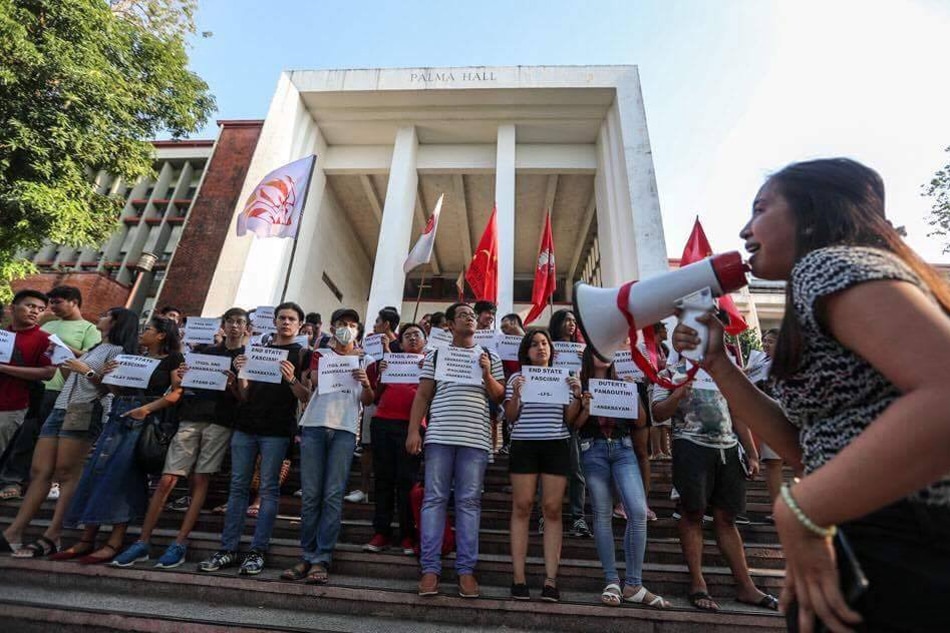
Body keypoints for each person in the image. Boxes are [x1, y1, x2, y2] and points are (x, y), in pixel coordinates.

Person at [673, 158, 950, 632]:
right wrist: (718, 364)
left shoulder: (826, 264)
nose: (744, 230)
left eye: (760, 209)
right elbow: (809, 446)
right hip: (877, 529)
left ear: (815, 216)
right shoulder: (826, 283)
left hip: (903, 534)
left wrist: (802, 509)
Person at [111, 308, 248, 568]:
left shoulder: (247, 357)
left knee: (199, 478)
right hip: (191, 417)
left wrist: (233, 384)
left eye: (239, 322)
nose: (234, 326)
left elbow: (244, 400)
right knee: (166, 480)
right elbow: (185, 388)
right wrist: (185, 375)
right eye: (229, 321)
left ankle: (180, 542)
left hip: (221, 422)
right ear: (223, 325)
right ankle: (142, 542)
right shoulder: (205, 353)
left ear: (247, 329)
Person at [1, 308, 138, 557]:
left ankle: (53, 534)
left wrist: (84, 369)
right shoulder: (96, 347)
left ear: (116, 322)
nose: (101, 317)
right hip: (61, 406)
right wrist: (63, 362)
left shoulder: (119, 352)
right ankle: (14, 531)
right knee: (40, 470)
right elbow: (72, 377)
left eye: (106, 315)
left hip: (85, 410)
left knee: (66, 472)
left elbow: (110, 388)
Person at [651, 351, 773, 612]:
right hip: (690, 447)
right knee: (691, 513)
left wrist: (751, 453)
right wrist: (677, 394)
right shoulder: (668, 374)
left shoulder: (722, 372)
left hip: (728, 449)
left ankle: (746, 586)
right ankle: (697, 583)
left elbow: (737, 411)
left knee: (727, 518)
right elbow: (658, 413)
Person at [55, 316, 184, 564]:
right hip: (119, 413)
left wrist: (146, 409)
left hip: (145, 418)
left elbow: (177, 392)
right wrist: (111, 378)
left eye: (148, 329)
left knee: (124, 475)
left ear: (161, 335)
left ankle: (115, 540)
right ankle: (86, 538)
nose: (141, 333)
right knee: (97, 471)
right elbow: (117, 390)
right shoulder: (132, 357)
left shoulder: (173, 359)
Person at [198, 302, 306, 576]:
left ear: (300, 325)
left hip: (278, 430)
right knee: (237, 487)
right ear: (275, 321)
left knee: (268, 490)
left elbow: (306, 396)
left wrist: (292, 379)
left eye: (291, 319)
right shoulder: (255, 351)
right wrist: (239, 379)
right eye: (281, 317)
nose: (285, 322)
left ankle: (258, 550)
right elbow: (244, 396)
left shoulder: (302, 353)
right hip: (245, 426)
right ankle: (228, 548)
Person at [407, 302, 505, 598]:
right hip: (439, 436)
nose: (470, 318)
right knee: (434, 500)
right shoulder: (435, 355)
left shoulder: (490, 356)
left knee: (469, 503)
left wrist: (487, 374)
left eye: (473, 315)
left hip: (475, 440)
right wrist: (414, 431)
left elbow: (500, 396)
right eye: (463, 315)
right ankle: (430, 569)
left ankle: (466, 571)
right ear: (449, 324)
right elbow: (423, 394)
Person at [572, 346, 670, 609]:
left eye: (607, 351)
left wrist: (633, 395)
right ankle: (612, 580)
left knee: (637, 511)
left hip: (624, 448)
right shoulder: (579, 383)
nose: (604, 354)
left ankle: (634, 583)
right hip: (592, 450)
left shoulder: (623, 383)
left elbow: (640, 422)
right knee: (602, 513)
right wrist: (584, 406)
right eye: (597, 350)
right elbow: (573, 425)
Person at [281, 308, 372, 585]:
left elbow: (367, 400)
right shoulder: (320, 355)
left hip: (345, 430)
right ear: (332, 328)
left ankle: (322, 557)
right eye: (342, 324)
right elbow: (314, 388)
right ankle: (306, 555)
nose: (347, 328)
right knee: (310, 494)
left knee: (332, 495)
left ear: (358, 330)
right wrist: (307, 376)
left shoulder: (366, 359)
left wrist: (366, 383)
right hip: (315, 426)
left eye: (352, 325)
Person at [0, 286, 101, 501]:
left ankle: (31, 481)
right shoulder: (48, 325)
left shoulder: (88, 329)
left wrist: (63, 347)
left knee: (45, 439)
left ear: (74, 302)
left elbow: (92, 359)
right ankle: (13, 479)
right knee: (25, 437)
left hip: (63, 393)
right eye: (49, 304)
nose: (49, 308)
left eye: (56, 302)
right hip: (39, 392)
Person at [505, 329, 581, 602]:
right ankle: (519, 578)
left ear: (552, 349)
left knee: (551, 509)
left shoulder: (565, 378)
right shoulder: (516, 377)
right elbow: (511, 417)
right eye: (534, 344)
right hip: (524, 444)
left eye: (544, 343)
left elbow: (569, 419)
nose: (540, 348)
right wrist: (515, 394)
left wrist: (577, 396)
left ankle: (550, 580)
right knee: (522, 506)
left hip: (556, 445)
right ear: (526, 351)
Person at [363, 323, 427, 555]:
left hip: (412, 428)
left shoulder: (431, 364)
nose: (412, 339)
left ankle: (408, 535)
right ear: (399, 344)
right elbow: (373, 397)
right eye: (407, 336)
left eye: (416, 335)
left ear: (424, 341)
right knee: (383, 480)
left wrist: (426, 371)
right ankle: (382, 532)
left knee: (407, 482)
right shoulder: (389, 363)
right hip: (382, 424)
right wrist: (381, 372)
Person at [345, 306, 401, 505]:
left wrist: (387, 351)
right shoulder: (369, 344)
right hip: (371, 401)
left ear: (386, 324)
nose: (374, 325)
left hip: (393, 406)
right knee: (367, 447)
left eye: (377, 321)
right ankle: (364, 489)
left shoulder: (401, 346)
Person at [548, 308, 591, 538]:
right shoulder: (546, 347)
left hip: (574, 409)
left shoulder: (582, 350)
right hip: (550, 410)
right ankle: (545, 516)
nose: (572, 324)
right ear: (557, 323)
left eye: (574, 321)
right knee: (547, 471)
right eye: (566, 320)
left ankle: (578, 517)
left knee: (576, 471)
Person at [0, 290, 55, 455]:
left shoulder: (47, 340)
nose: (35, 311)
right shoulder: (3, 334)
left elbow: (49, 373)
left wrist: (3, 368)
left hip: (10, 407)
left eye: (40, 309)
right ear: (13, 307)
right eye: (30, 306)